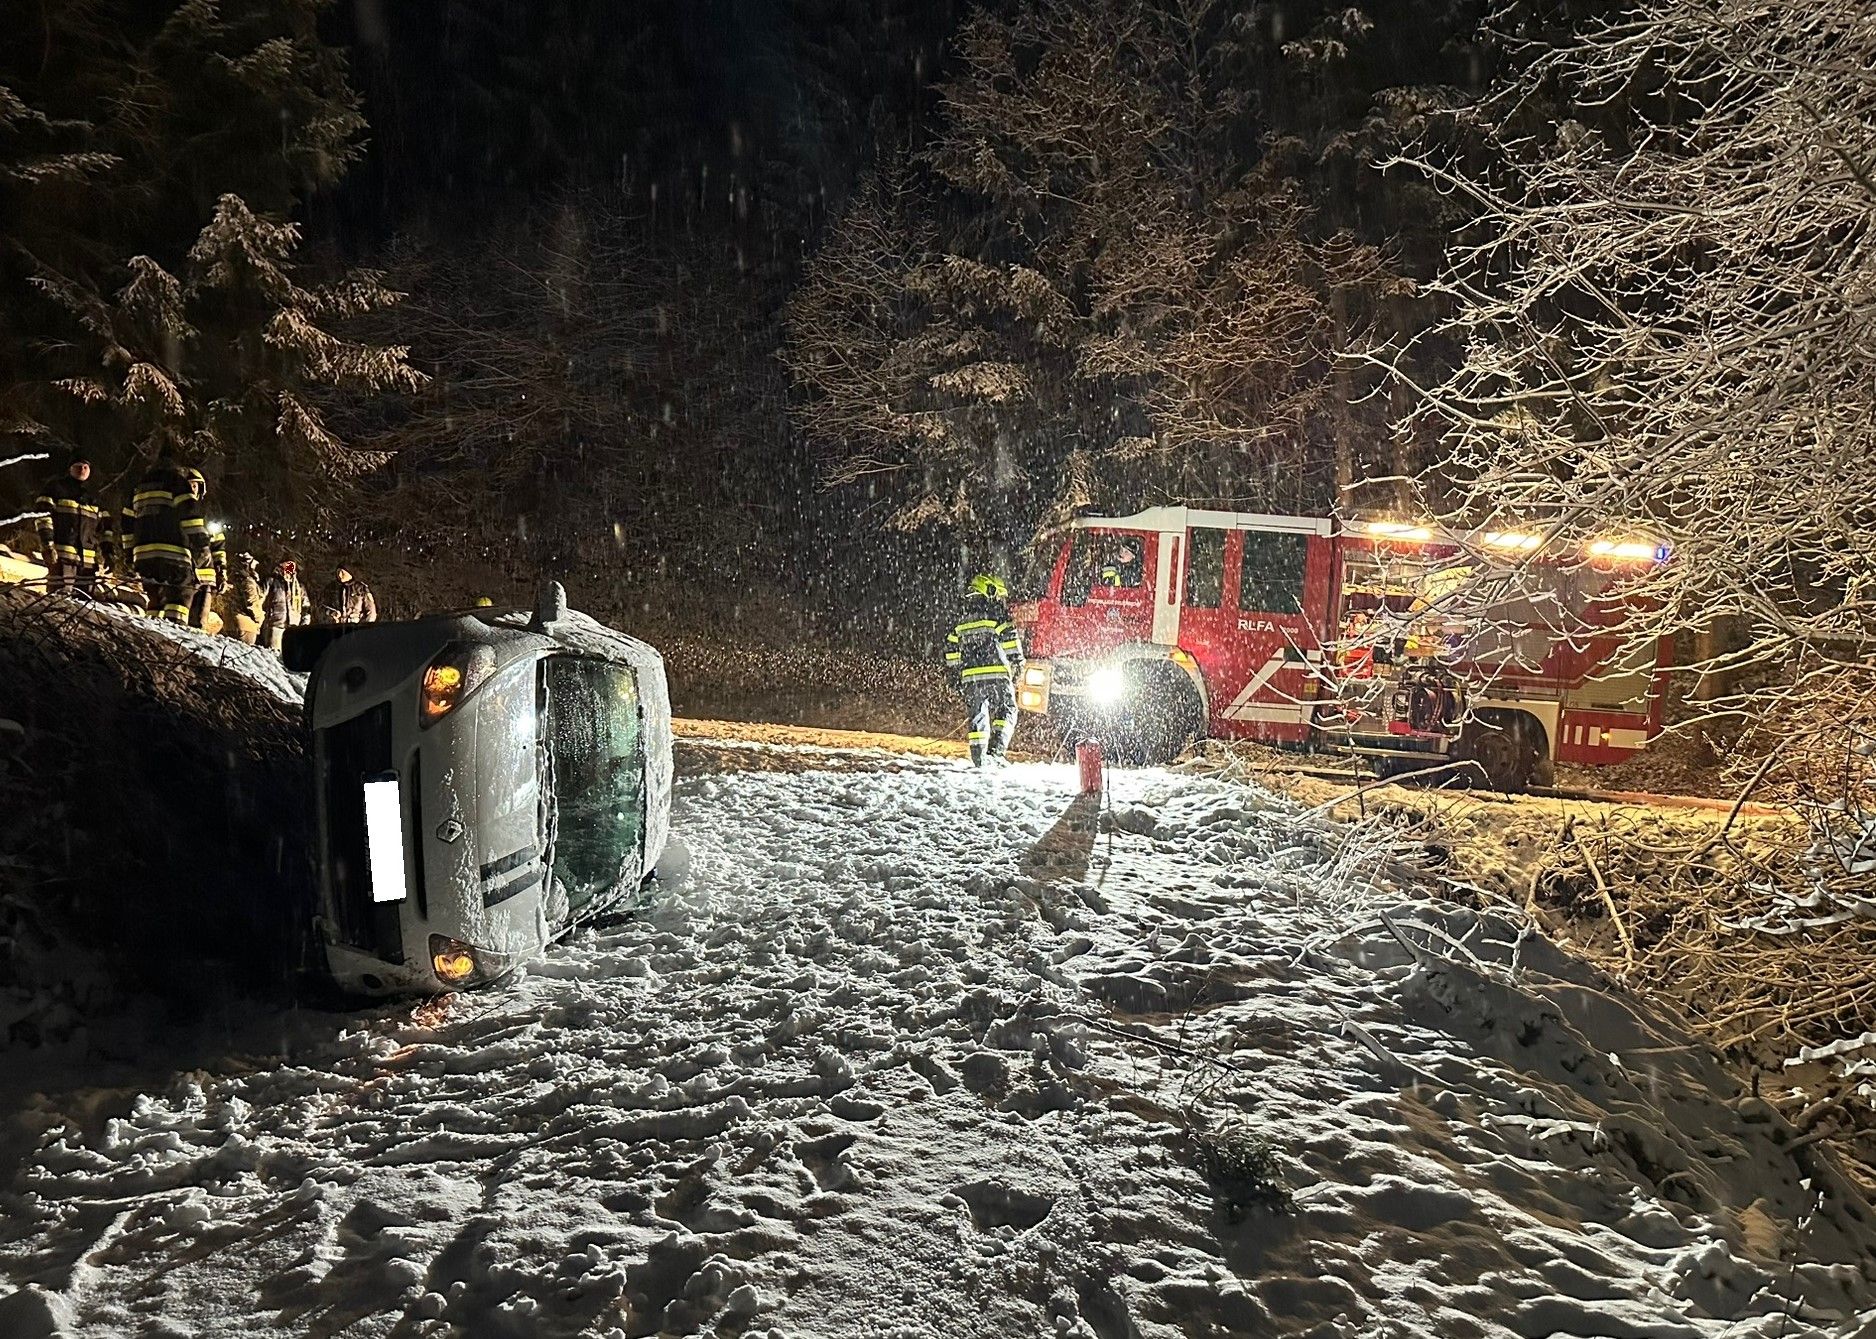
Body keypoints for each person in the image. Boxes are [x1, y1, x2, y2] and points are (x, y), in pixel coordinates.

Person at [944, 572, 1026, 768]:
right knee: (1007, 709)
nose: (1001, 599)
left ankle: (979, 759)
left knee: (977, 715)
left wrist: (955, 675)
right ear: (989, 590)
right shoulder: (995, 612)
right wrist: (1018, 661)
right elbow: (1009, 636)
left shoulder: (961, 617)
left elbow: (951, 648)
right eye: (999, 594)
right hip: (997, 673)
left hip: (970, 677)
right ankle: (996, 753)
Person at [123, 454, 212, 624]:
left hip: (143, 557)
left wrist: (129, 554)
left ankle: (150, 636)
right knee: (178, 600)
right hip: (174, 556)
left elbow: (127, 522)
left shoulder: (140, 485)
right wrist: (201, 543)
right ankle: (172, 636)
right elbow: (190, 516)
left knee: (154, 601)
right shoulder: (177, 483)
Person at [33, 457, 104, 594]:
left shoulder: (93, 497)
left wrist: (103, 555)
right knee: (58, 600)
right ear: (70, 468)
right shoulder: (55, 488)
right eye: (78, 466)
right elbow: (42, 517)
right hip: (61, 558)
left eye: (85, 467)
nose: (82, 469)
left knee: (84, 606)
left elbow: (101, 529)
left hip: (87, 564)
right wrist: (47, 545)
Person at [180, 469, 227, 630]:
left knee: (199, 623)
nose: (192, 489)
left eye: (195, 485)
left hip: (206, 577)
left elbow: (218, 546)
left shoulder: (207, 514)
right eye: (188, 485)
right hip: (184, 575)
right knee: (180, 619)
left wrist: (222, 572)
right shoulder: (175, 511)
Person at [259, 560, 307, 653]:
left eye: (292, 565)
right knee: (272, 656)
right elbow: (260, 598)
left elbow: (306, 607)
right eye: (287, 564)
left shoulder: (299, 587)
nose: (289, 567)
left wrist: (304, 624)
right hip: (275, 625)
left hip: (293, 628)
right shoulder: (271, 581)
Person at [221, 552, 265, 644]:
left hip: (229, 622)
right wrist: (259, 619)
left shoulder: (230, 579)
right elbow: (252, 603)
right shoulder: (248, 582)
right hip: (246, 625)